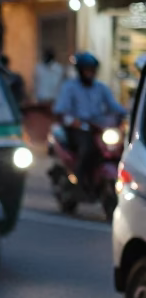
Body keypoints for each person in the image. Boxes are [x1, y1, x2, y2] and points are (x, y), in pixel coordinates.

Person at [53, 52, 124, 193]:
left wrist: (126, 114)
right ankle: (77, 182)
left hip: (98, 129)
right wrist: (73, 121)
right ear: (80, 71)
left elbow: (114, 107)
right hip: (78, 129)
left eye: (92, 70)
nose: (90, 73)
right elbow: (61, 110)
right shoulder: (70, 87)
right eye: (87, 70)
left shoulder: (101, 88)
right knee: (88, 148)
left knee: (117, 149)